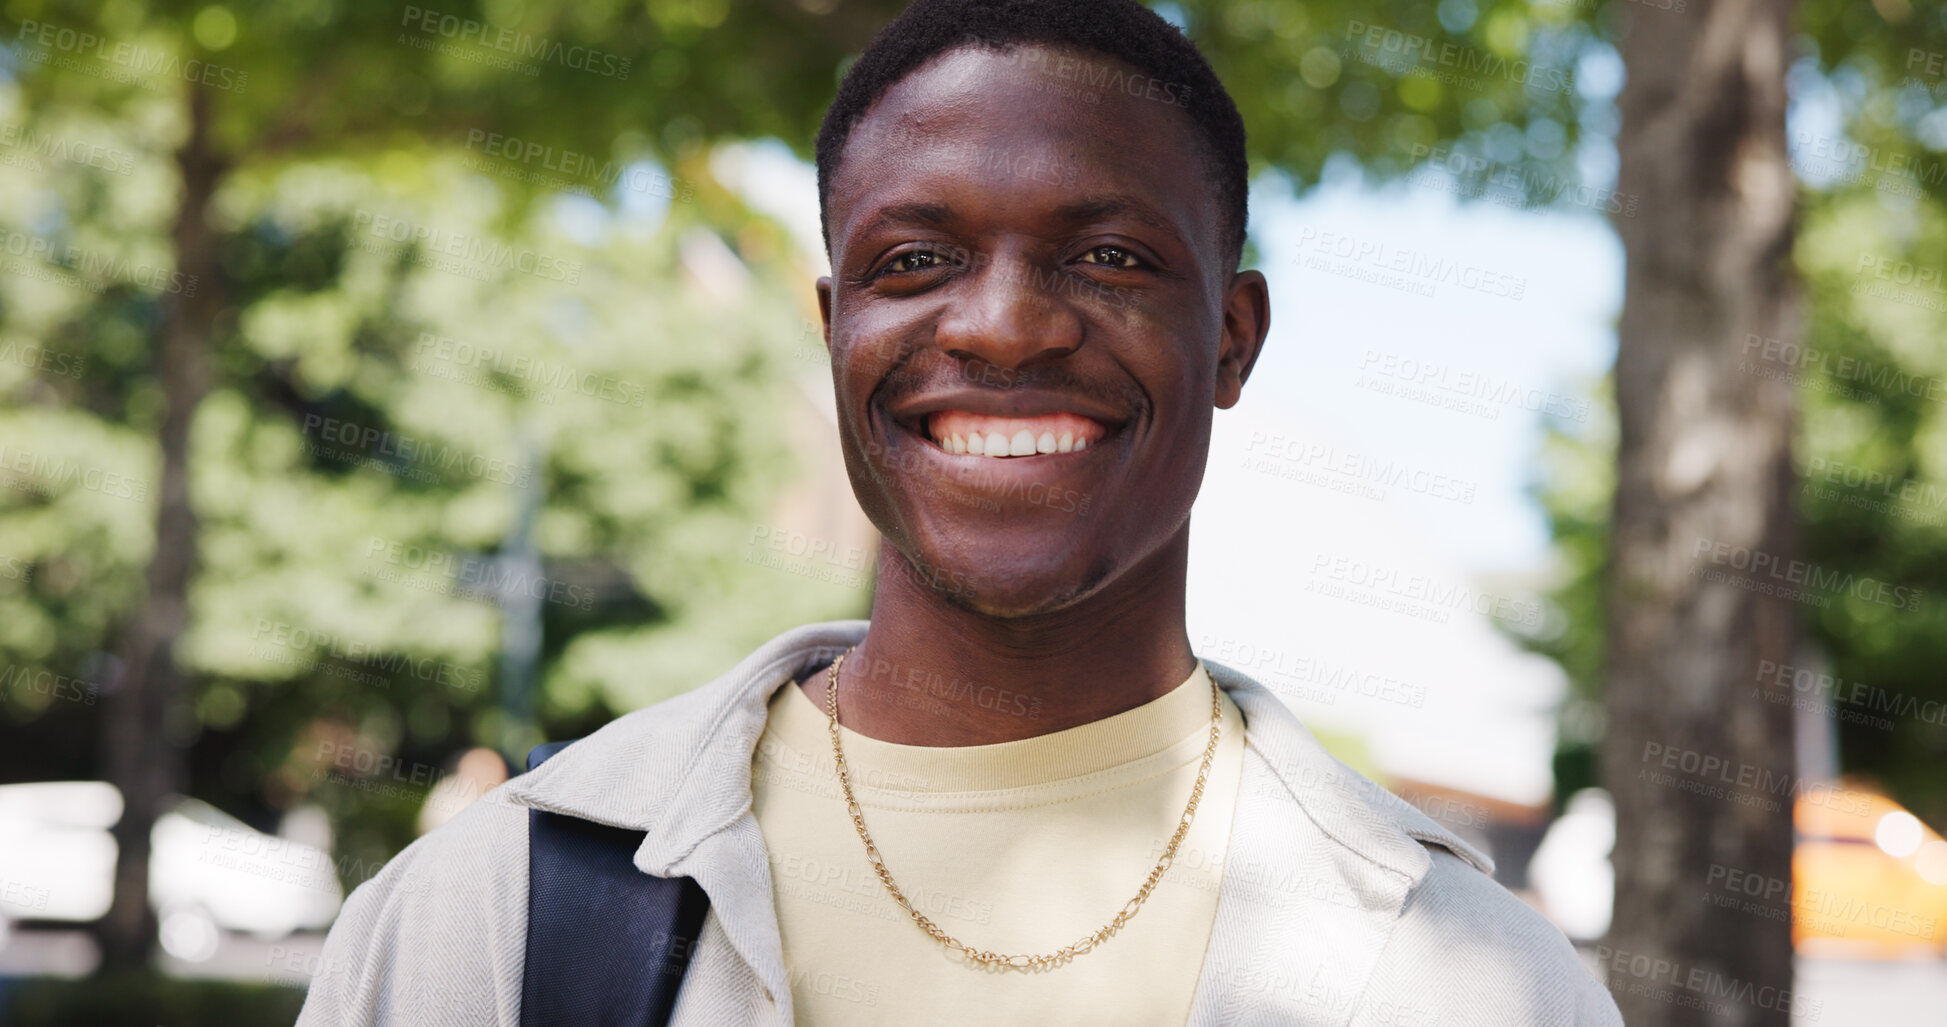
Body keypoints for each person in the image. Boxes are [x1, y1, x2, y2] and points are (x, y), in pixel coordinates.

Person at [297, 0, 1623, 1023]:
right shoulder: (501, 915)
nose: (1001, 324)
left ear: (1230, 337)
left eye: (1108, 256)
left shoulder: (1473, 979)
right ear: (835, 332)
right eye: (915, 260)